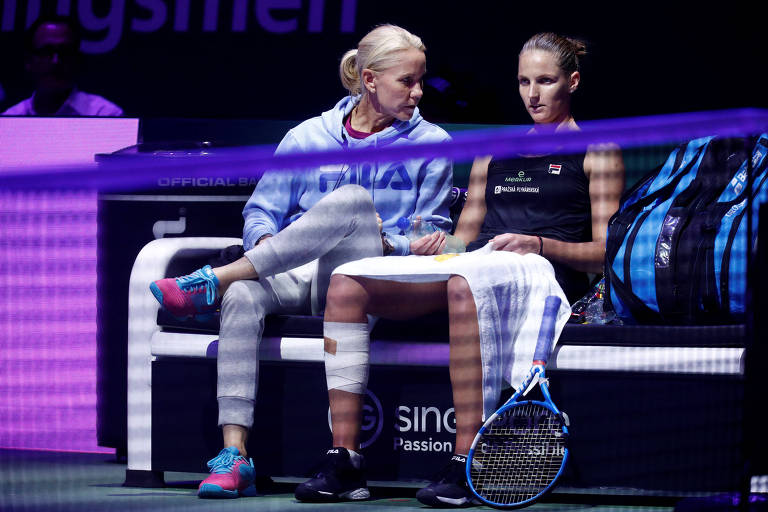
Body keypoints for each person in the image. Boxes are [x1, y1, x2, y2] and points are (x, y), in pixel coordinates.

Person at [296, 32, 625, 506]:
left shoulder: (599, 150)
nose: (532, 94)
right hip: (477, 266)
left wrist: (538, 244)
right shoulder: (494, 151)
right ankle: (345, 457)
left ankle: (467, 459)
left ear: (571, 82)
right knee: (350, 282)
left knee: (462, 281)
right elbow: (465, 236)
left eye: (546, 81)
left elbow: (602, 253)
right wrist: (427, 246)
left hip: (541, 275)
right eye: (523, 82)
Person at [149, 24, 453, 499]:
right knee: (245, 295)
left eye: (420, 81)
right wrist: (270, 243)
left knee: (351, 201)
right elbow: (260, 212)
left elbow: (427, 236)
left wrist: (386, 241)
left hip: (370, 279)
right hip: (296, 274)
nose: (418, 93)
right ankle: (235, 455)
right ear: (370, 80)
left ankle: (214, 280)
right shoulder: (307, 137)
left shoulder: (433, 144)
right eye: (406, 81)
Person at [2, 16, 123, 116]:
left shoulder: (105, 114)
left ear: (78, 59)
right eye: (46, 52)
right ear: (29, 60)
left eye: (65, 52)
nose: (56, 61)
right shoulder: (10, 119)